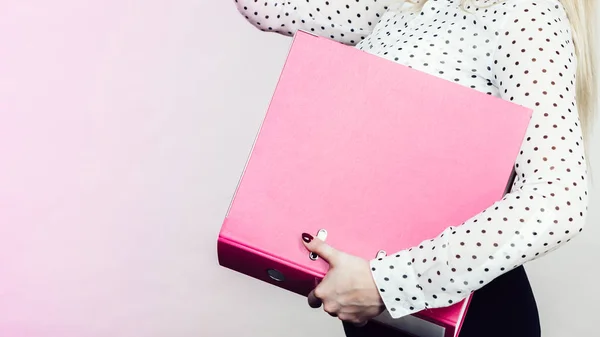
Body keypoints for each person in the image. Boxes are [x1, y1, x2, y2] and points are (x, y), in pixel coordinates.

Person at [234, 0, 596, 336]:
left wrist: (386, 284)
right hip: (377, 313)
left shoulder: (523, 15)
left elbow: (557, 200)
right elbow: (266, 7)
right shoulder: (405, 6)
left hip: (465, 312)